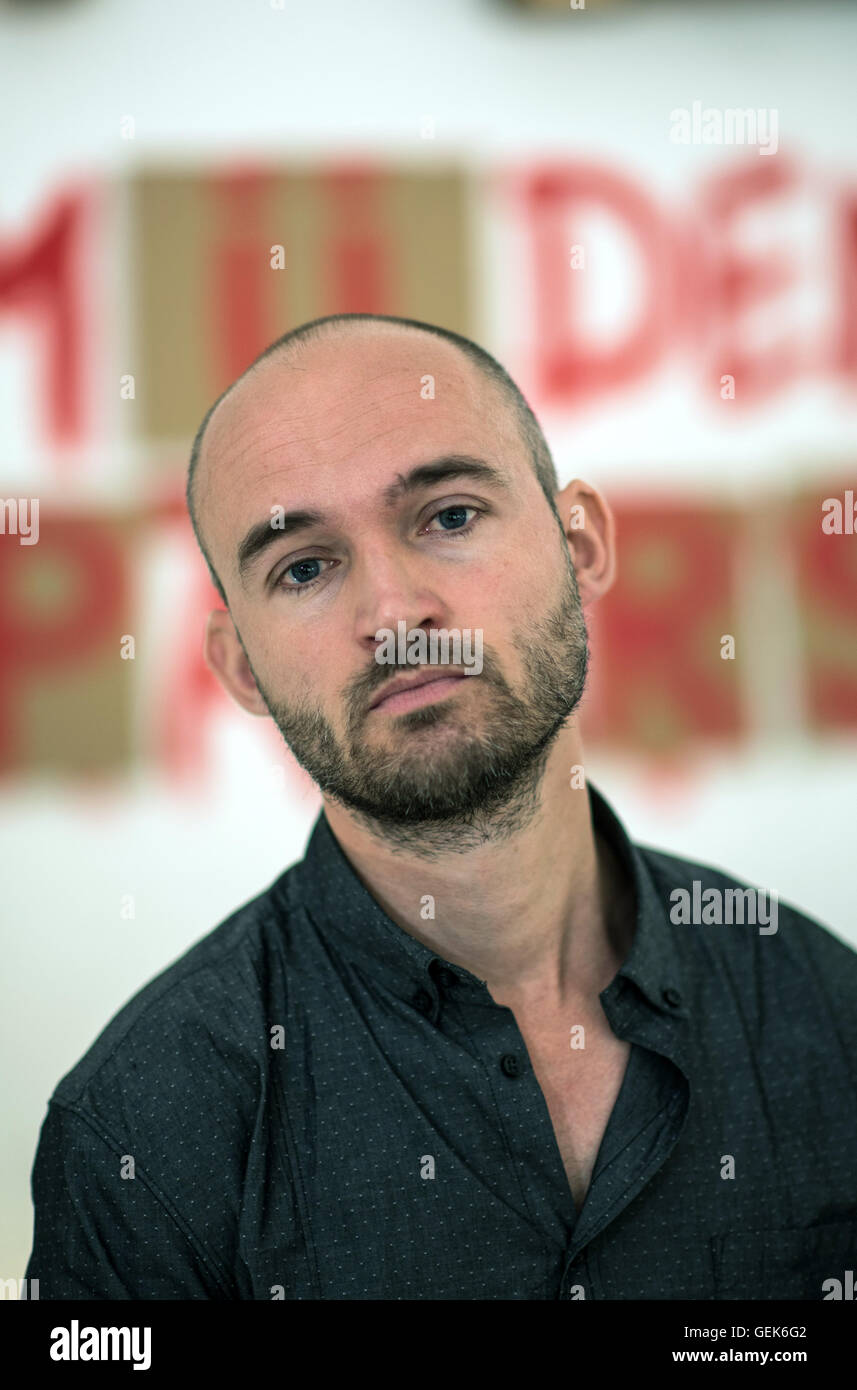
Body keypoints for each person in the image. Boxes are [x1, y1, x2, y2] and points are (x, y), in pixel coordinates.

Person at [25, 314, 857, 1300]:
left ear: (579, 543)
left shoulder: (823, 1011)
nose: (394, 612)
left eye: (448, 516)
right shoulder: (141, 1130)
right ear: (242, 667)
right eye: (303, 567)